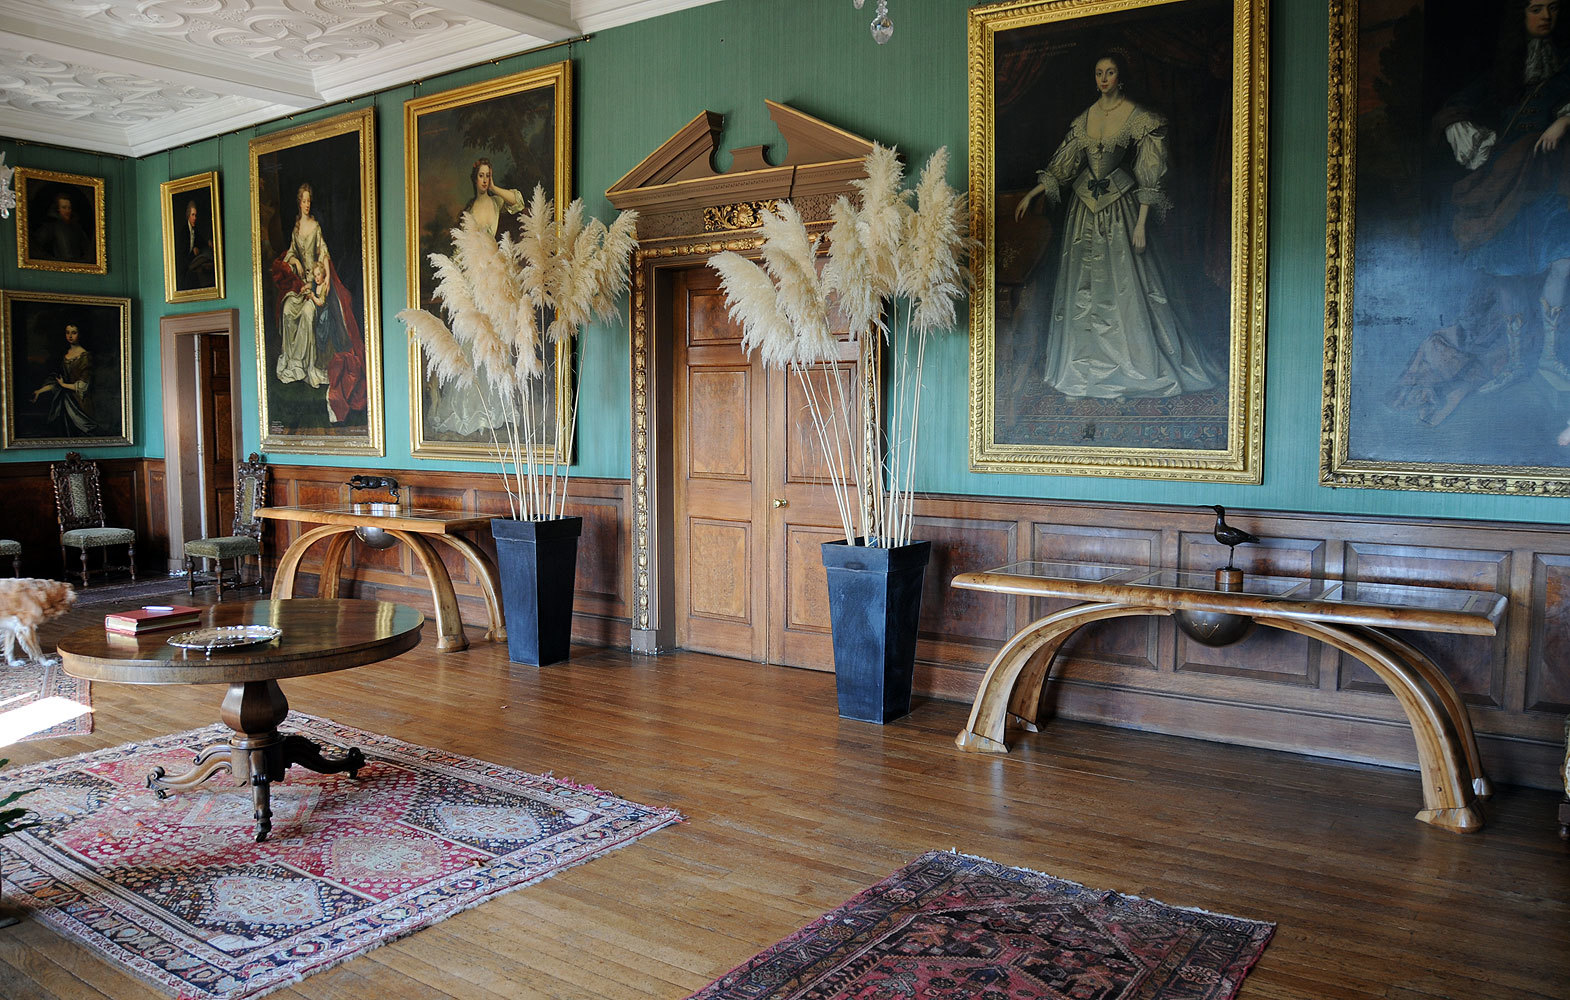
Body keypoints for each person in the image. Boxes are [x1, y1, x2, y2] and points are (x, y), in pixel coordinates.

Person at [1013, 51, 1221, 399]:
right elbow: (1065, 164)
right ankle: (1084, 369)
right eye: (1098, 73)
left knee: (1126, 286)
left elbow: (1150, 171)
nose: (1104, 78)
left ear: (1119, 76)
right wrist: (1033, 192)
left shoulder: (1137, 117)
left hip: (1120, 209)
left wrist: (1140, 223)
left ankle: (1133, 366)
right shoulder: (1085, 118)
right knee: (1084, 290)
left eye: (1109, 72)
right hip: (1084, 210)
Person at [426, 159, 527, 436]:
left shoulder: (495, 203)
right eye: (482, 176)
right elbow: (462, 247)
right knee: (471, 337)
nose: (485, 180)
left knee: (492, 338)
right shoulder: (468, 209)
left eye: (488, 175)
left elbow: (518, 201)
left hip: (491, 275)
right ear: (474, 178)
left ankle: (495, 408)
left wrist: (495, 187)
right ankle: (471, 409)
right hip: (473, 275)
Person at [269, 182, 365, 422]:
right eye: (304, 200)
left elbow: (324, 254)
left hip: (317, 280)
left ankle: (309, 365)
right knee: (289, 307)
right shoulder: (296, 227)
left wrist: (325, 281)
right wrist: (297, 263)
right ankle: (294, 363)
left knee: (310, 311)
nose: (307, 204)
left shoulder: (315, 226)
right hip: (300, 283)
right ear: (298, 202)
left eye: (309, 200)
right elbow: (291, 252)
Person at [30, 323, 96, 436]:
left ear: (80, 334)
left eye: (74, 332)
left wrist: (63, 385)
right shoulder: (64, 356)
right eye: (67, 332)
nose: (70, 336)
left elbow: (83, 386)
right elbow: (57, 381)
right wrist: (39, 391)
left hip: (79, 403)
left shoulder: (85, 357)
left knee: (82, 434)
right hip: (64, 403)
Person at [30, 191, 91, 263]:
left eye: (69, 208)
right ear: (58, 209)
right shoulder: (51, 226)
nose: (67, 211)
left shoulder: (77, 228)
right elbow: (37, 245)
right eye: (64, 208)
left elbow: (87, 248)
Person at [176, 198, 215, 290]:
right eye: (193, 215)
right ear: (188, 215)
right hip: (184, 263)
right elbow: (182, 252)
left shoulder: (194, 229)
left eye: (195, 215)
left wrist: (208, 242)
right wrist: (194, 252)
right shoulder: (184, 231)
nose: (195, 218)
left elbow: (200, 240)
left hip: (191, 260)